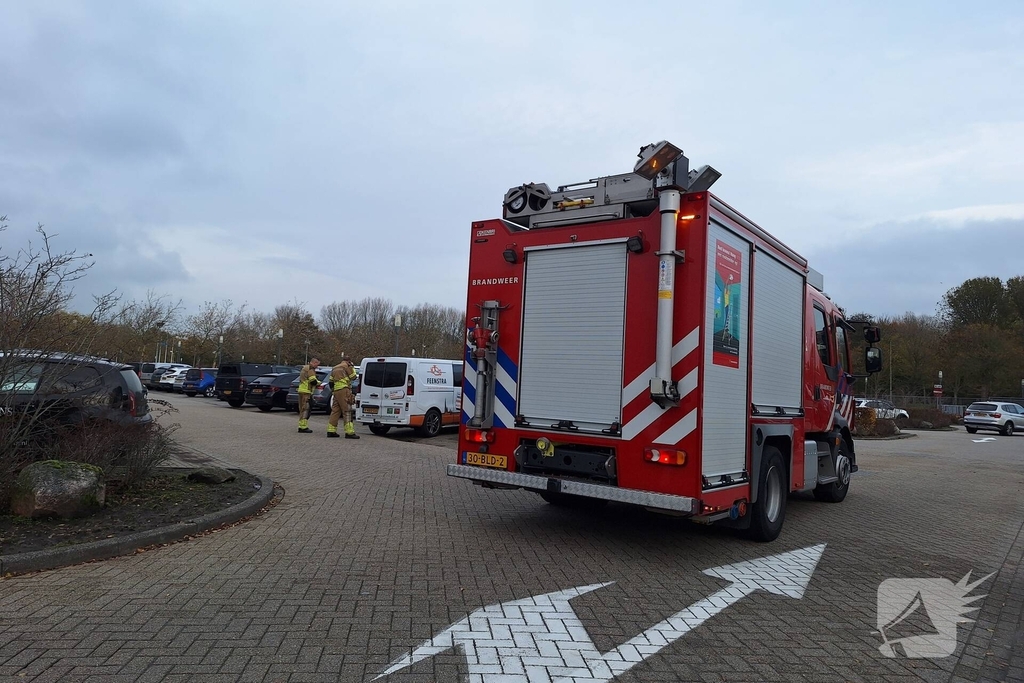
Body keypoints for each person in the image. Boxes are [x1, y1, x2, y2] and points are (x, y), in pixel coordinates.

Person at [327, 359, 360, 439]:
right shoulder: (347, 366)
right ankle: (349, 432)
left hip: (336, 391)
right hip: (344, 390)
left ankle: (331, 431)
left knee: (335, 411)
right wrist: (352, 367)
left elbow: (331, 382)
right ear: (349, 361)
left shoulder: (335, 368)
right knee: (347, 410)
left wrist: (334, 391)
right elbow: (353, 377)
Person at [296, 358, 321, 433]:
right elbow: (313, 381)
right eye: (317, 364)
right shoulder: (310, 368)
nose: (317, 366)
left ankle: (302, 425)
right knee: (306, 409)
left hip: (302, 390)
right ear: (314, 363)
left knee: (303, 408)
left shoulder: (305, 368)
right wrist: (319, 383)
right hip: (306, 391)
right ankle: (303, 427)